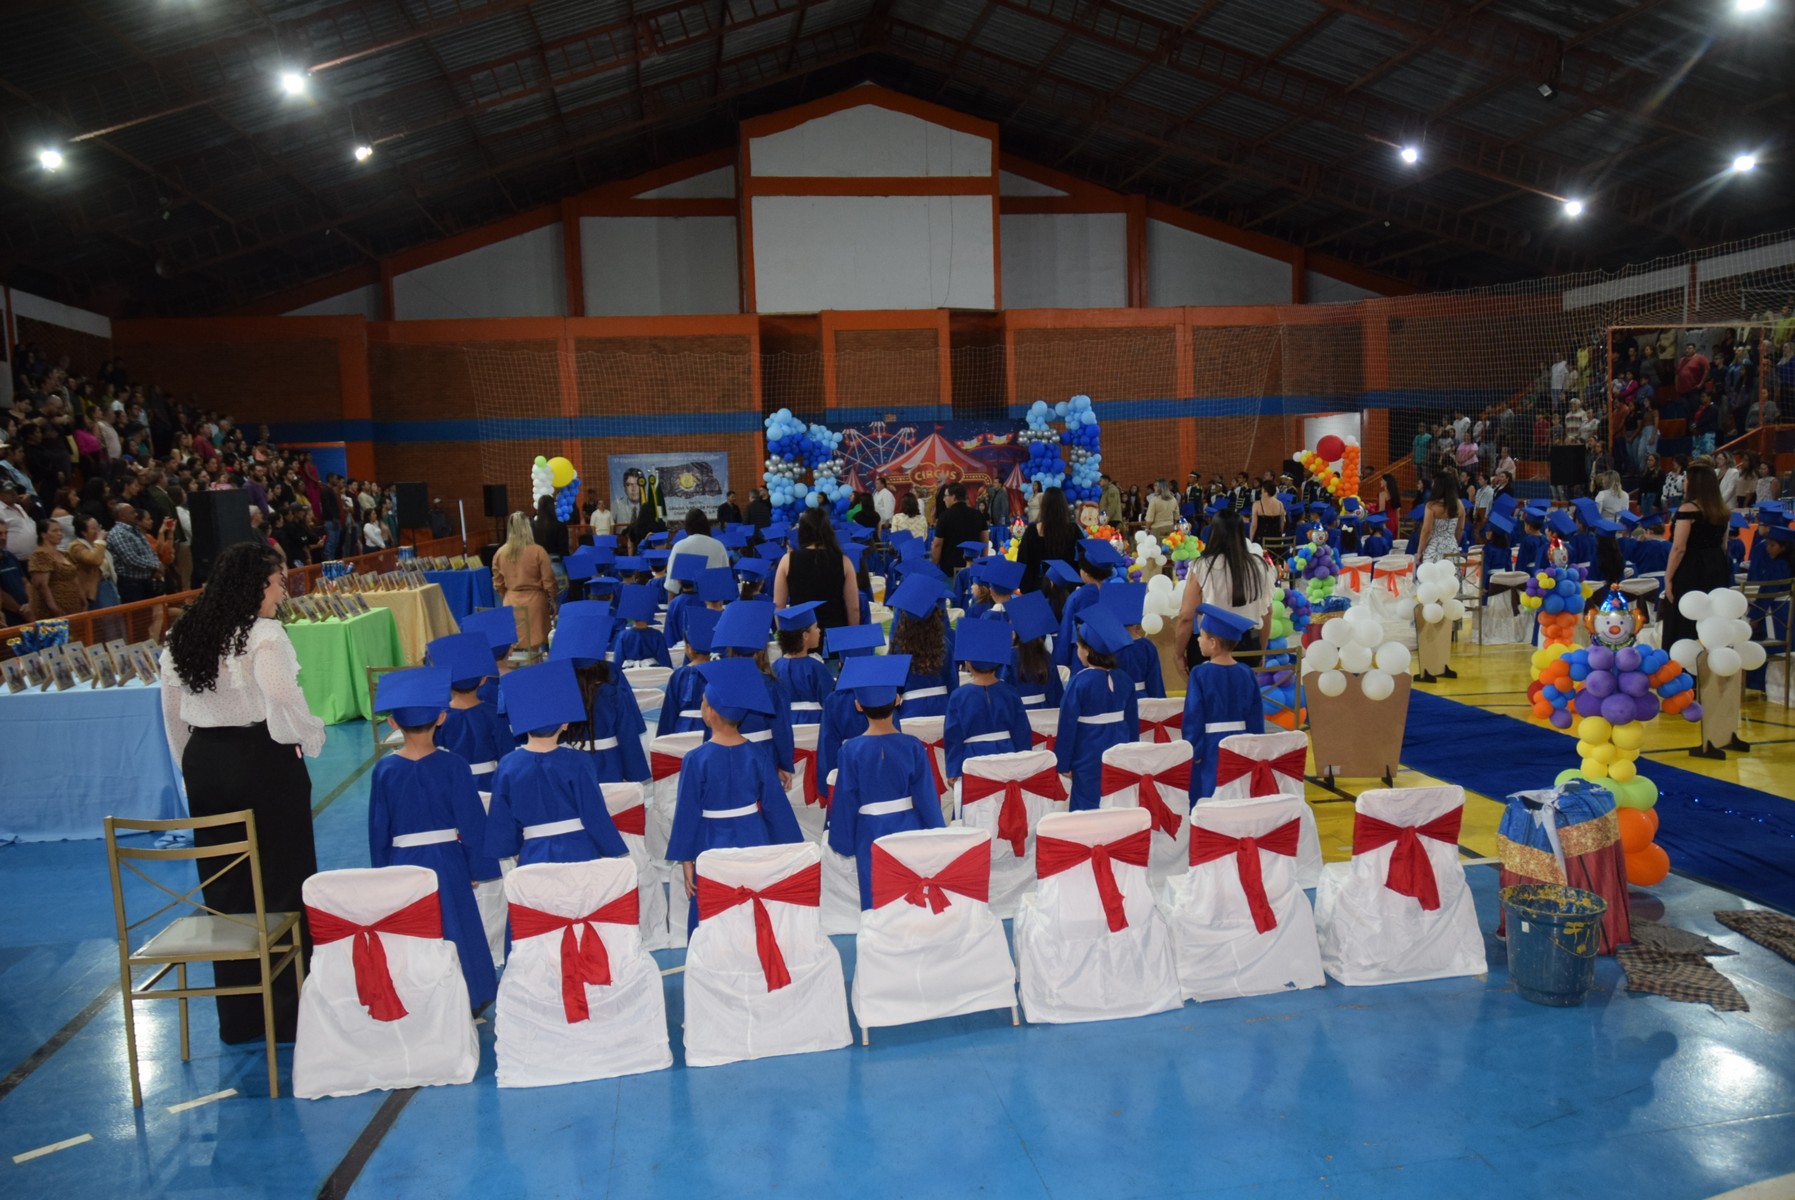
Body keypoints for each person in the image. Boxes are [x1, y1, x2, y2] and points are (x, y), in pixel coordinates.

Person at [158, 542, 325, 1043]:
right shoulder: (264, 634)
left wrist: (191, 764)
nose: (282, 593)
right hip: (261, 759)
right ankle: (291, 1016)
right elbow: (279, 694)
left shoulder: (183, 631)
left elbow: (171, 709)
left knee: (225, 885)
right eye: (278, 583)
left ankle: (240, 1018)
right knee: (282, 879)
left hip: (206, 760)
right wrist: (307, 732)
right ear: (257, 586)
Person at [367, 667, 498, 1010]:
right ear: (442, 717)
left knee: (415, 927)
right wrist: (477, 865)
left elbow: (378, 827)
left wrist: (382, 872)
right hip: (447, 858)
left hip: (403, 861)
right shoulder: (453, 765)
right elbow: (471, 821)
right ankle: (470, 994)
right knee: (458, 924)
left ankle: (418, 997)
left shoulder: (384, 769)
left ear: (393, 724)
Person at [665, 658, 804, 930]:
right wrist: (790, 848)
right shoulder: (759, 755)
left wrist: (686, 857)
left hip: (710, 839)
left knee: (714, 903)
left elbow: (687, 812)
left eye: (703, 702)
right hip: (754, 834)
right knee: (753, 897)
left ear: (710, 714)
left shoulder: (695, 759)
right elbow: (776, 808)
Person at [826, 655, 945, 909]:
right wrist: (935, 831)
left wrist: (843, 840)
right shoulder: (912, 746)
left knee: (876, 894)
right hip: (908, 828)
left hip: (869, 833)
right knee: (909, 892)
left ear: (858, 705)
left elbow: (846, 799)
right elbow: (926, 796)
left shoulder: (849, 751)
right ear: (898, 700)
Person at [485, 660, 631, 864]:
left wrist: (513, 847)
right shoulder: (579, 760)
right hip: (579, 850)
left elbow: (502, 816)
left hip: (533, 853)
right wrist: (612, 849)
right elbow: (593, 812)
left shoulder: (508, 765)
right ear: (565, 724)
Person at [1055, 608, 1141, 811]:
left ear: (1085, 650)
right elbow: (1133, 722)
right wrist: (1132, 752)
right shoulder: (1125, 679)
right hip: (1119, 753)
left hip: (1087, 754)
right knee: (1116, 798)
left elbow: (1067, 725)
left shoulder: (1079, 682)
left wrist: (1063, 763)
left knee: (1087, 802)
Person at [1174, 510, 1274, 674]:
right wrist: (1260, 651)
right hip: (1249, 642)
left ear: (1213, 533)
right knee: (1243, 697)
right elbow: (1267, 613)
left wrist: (1178, 654)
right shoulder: (1260, 565)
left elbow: (1186, 616)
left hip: (1211, 645)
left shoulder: (1202, 566)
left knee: (1208, 697)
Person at [943, 618, 1032, 782]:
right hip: (1007, 756)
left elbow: (953, 737)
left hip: (973, 760)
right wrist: (1024, 761)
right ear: (999, 664)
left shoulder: (958, 696)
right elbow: (1022, 732)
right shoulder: (1010, 692)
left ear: (967, 664)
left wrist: (953, 770)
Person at [1662, 460, 1734, 648]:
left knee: (1686, 616)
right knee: (1713, 615)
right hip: (1716, 565)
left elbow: (1679, 548)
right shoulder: (1722, 510)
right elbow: (1724, 545)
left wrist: (1668, 577)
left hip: (1691, 568)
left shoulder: (1688, 509)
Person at [772, 507, 859, 628]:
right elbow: (853, 607)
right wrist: (850, 635)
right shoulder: (844, 561)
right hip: (835, 634)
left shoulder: (787, 560)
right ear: (828, 530)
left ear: (802, 531)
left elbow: (778, 605)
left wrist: (786, 639)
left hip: (801, 636)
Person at [491, 511, 556, 651]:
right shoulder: (538, 551)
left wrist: (507, 596)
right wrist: (553, 601)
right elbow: (549, 581)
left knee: (514, 646)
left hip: (511, 601)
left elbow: (498, 583)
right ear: (528, 527)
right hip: (535, 603)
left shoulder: (500, 553)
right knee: (535, 647)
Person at [773, 601, 831, 723]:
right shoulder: (817, 668)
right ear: (805, 635)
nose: (819, 630)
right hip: (816, 725)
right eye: (815, 627)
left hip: (784, 723)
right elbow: (830, 704)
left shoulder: (775, 667)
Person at [27, 518, 84, 618]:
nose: (59, 534)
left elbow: (75, 577)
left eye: (60, 530)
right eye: (54, 531)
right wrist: (53, 607)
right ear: (43, 534)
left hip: (74, 605)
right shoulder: (40, 555)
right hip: (56, 609)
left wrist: (82, 598)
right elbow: (42, 586)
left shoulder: (64, 554)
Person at [662, 507, 728, 594]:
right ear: (706, 525)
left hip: (686, 602)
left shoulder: (679, 546)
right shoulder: (718, 546)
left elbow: (672, 585)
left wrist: (672, 606)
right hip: (713, 599)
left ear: (687, 526)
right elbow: (725, 578)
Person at [68, 514, 118, 609]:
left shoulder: (98, 545)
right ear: (84, 532)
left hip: (109, 583)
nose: (98, 531)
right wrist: (99, 541)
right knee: (106, 620)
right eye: (94, 528)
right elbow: (95, 560)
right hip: (96, 588)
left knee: (117, 617)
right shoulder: (76, 546)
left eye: (98, 527)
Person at [1416, 471, 1464, 566]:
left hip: (1434, 549)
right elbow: (1460, 529)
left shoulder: (1431, 505)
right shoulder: (1459, 504)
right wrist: (1454, 543)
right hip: (1452, 548)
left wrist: (1420, 551)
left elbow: (1426, 530)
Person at [1248, 480, 1285, 545]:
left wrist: (1251, 541)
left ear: (1264, 490)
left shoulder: (1257, 504)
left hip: (1261, 542)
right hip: (1277, 541)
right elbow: (1282, 523)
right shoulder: (1280, 504)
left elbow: (1254, 525)